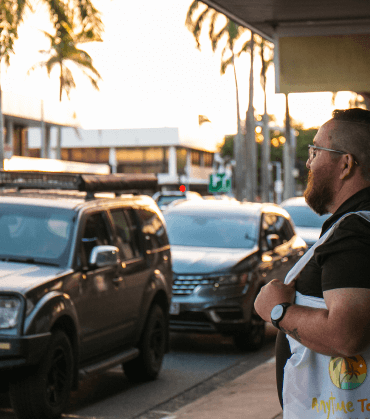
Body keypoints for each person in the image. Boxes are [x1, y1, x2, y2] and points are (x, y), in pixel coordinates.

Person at [254, 108, 370, 419]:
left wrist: (278, 311)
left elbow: (347, 335)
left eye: (316, 150)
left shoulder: (354, 232)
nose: (309, 162)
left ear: (345, 164)